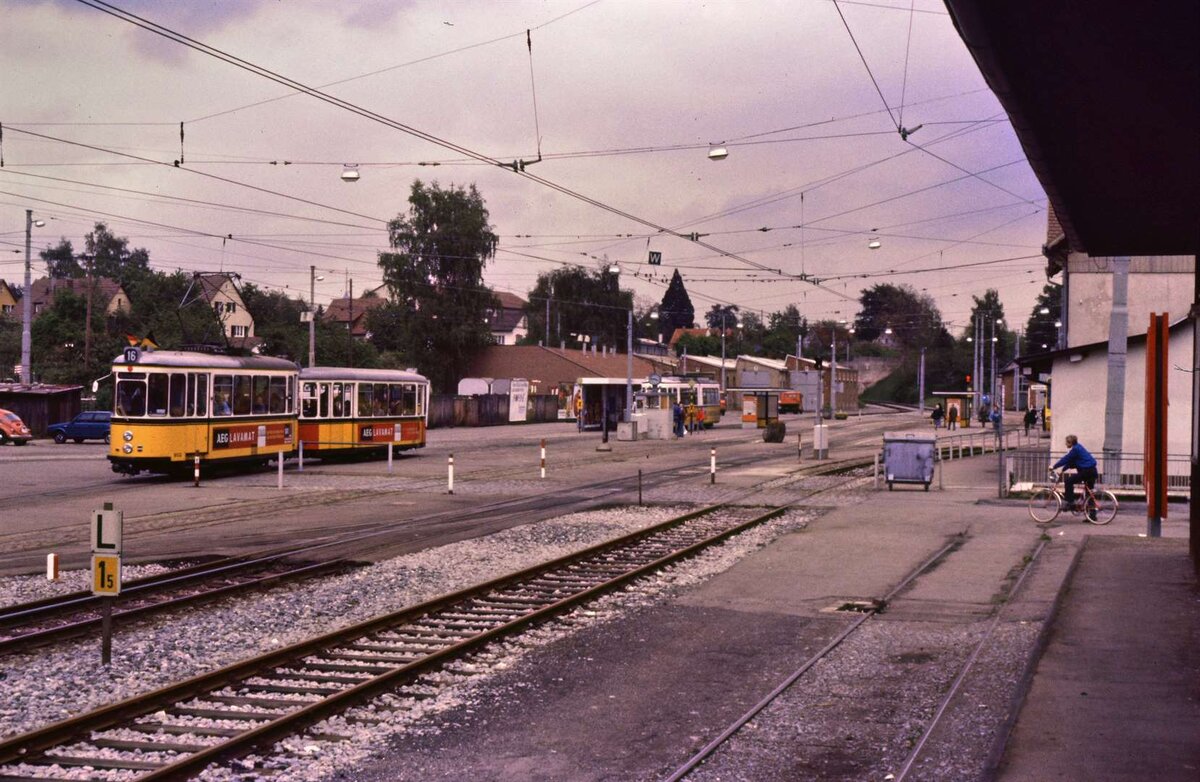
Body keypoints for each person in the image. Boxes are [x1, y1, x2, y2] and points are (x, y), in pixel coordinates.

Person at [1051, 434, 1099, 521]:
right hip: (1092, 471)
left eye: (1066, 442)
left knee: (1068, 481)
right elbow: (1071, 462)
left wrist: (1054, 466)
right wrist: (1063, 469)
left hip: (1087, 471)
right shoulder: (1079, 447)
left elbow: (1066, 459)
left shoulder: (1075, 449)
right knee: (1089, 493)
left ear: (1070, 442)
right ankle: (1092, 516)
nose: (1065, 444)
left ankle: (1070, 502)